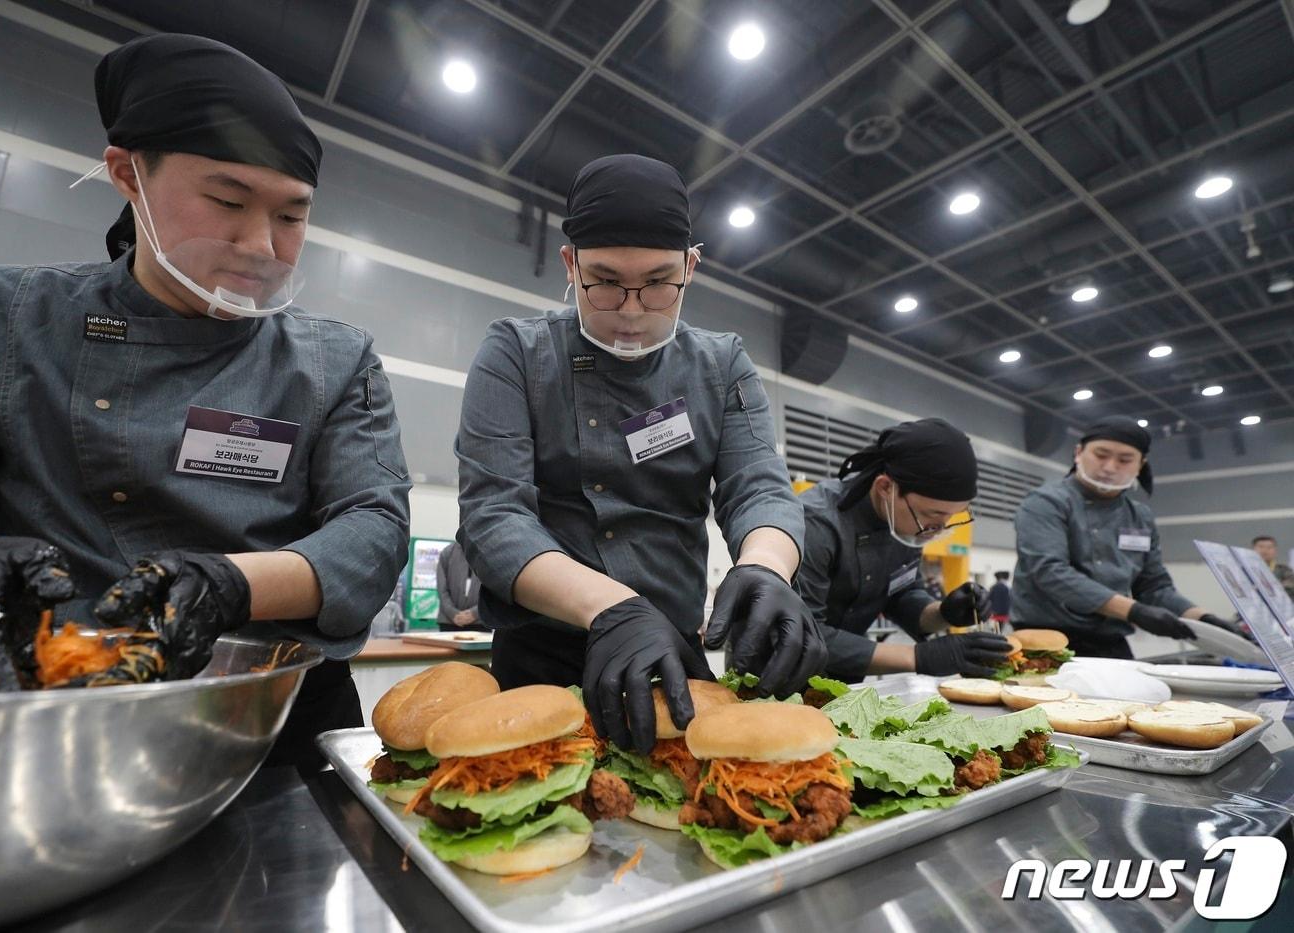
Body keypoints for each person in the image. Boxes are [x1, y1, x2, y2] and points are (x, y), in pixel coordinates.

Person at [0, 34, 410, 771]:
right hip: (56, 715)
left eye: (292, 217)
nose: (261, 244)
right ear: (127, 174)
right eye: (227, 200)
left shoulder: (335, 359)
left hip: (271, 718)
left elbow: (373, 532)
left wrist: (230, 584)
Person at [456, 154, 821, 754]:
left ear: (691, 268)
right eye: (603, 280)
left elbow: (757, 486)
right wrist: (610, 607)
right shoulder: (516, 354)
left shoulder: (722, 364)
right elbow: (495, 516)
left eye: (657, 282)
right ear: (570, 263)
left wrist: (765, 568)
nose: (630, 310)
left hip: (671, 652)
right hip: (542, 653)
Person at [795, 418, 1010, 682]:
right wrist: (918, 657)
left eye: (951, 518)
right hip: (777, 680)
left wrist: (943, 613)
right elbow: (802, 634)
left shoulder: (903, 522)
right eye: (932, 516)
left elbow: (901, 596)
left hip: (841, 682)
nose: (937, 529)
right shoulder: (815, 524)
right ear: (886, 487)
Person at [1011, 417, 1231, 659]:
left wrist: (1201, 617)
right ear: (1078, 453)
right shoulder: (1046, 503)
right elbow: (1051, 572)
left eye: (1125, 460)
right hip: (1045, 639)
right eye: (1101, 455)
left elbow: (1153, 585)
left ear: (1140, 465)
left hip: (1110, 640)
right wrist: (1134, 611)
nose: (1110, 467)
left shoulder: (1140, 516)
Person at [436, 540, 486, 631]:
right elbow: (442, 589)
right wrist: (453, 613)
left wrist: (475, 613)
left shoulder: (489, 554)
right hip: (449, 621)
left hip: (480, 622)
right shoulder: (447, 552)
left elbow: (493, 591)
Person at [1252, 536, 1294, 601]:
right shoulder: (1243, 570)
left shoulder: (1283, 569)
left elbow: (1291, 585)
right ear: (1253, 549)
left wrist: (1267, 587)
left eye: (1269, 547)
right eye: (1261, 547)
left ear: (1275, 550)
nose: (1264, 551)